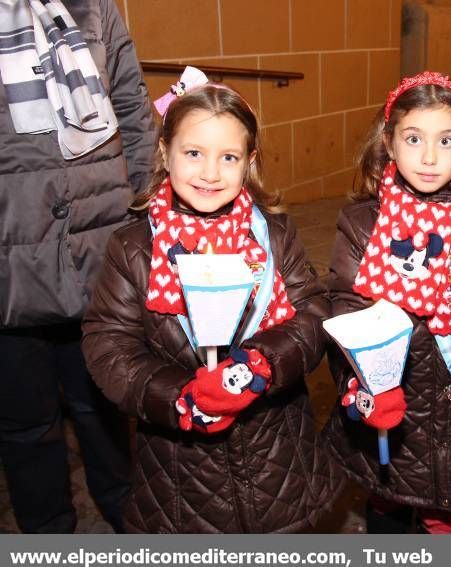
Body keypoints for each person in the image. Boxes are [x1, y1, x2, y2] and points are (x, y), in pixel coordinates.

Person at [81, 69, 342, 533]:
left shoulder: (274, 236)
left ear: (250, 161)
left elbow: (313, 314)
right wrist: (177, 398)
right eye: (194, 153)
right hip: (181, 476)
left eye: (228, 157)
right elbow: (109, 347)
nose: (209, 172)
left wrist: (264, 363)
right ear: (165, 152)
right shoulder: (133, 248)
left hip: (277, 458)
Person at [322, 71, 451, 534]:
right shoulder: (362, 225)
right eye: (414, 138)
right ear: (389, 143)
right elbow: (343, 316)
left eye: (446, 140)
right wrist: (361, 388)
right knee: (387, 505)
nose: (429, 157)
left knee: (442, 513)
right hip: (394, 406)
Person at [0, 0, 155, 533]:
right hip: (10, 264)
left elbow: (133, 109)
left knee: (104, 405)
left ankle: (124, 515)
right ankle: (47, 536)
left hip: (97, 251)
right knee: (26, 423)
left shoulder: (96, 10)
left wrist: (138, 205)